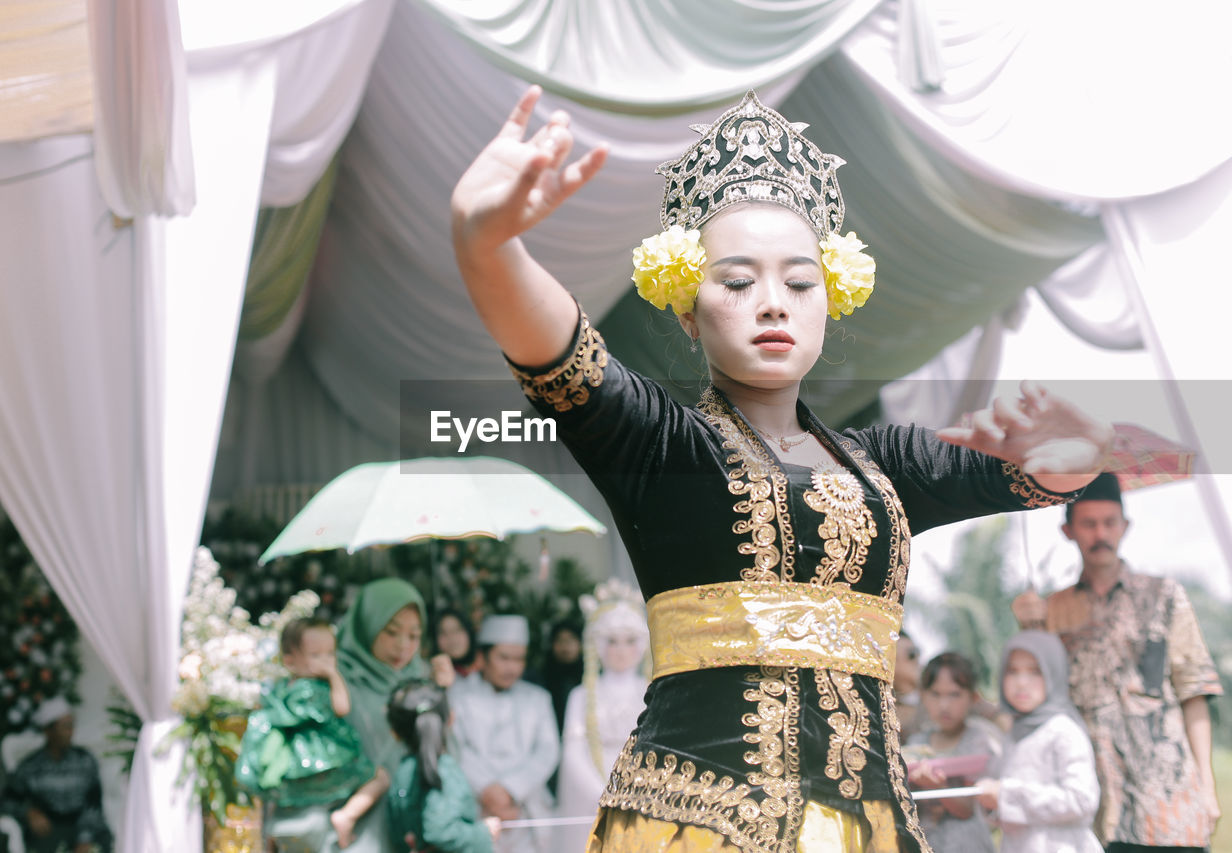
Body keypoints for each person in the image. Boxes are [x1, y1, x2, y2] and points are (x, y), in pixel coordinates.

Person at [450, 86, 1113, 851]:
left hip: (871, 831)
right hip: (690, 827)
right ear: (686, 310)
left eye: (799, 283)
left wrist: (1079, 459)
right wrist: (487, 247)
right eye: (737, 281)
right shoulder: (665, 449)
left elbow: (1016, 473)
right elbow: (560, 351)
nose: (772, 303)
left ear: (830, 298)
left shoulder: (884, 464)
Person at [1012, 473, 1223, 851]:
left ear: (1125, 526)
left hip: (1169, 794)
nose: (1100, 534)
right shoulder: (1051, 611)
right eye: (1089, 524)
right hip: (1092, 797)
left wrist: (1207, 787)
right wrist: (1028, 625)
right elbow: (1032, 693)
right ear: (1068, 531)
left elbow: (1194, 691)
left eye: (1109, 523)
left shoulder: (1164, 595)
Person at [235, 617, 387, 849]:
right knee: (378, 777)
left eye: (330, 654)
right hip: (327, 761)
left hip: (293, 770)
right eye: (316, 656)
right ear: (290, 661)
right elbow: (342, 707)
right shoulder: (315, 689)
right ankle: (346, 816)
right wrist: (335, 677)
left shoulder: (283, 689)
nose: (326, 662)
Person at [976, 631, 1102, 853]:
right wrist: (992, 801)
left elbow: (1082, 799)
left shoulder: (1063, 731)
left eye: (1035, 672)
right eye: (1012, 671)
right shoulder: (1014, 732)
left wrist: (1006, 795)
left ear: (1053, 674)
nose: (1022, 683)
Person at [448, 614, 560, 853]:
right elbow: (455, 747)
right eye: (504, 658)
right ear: (482, 657)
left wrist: (510, 789)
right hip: (476, 806)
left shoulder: (537, 698)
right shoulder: (458, 696)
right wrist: (488, 791)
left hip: (527, 808)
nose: (512, 667)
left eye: (519, 659)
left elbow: (548, 751)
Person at [555, 582, 650, 852]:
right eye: (612, 641)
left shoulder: (653, 692)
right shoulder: (581, 695)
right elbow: (573, 752)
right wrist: (602, 793)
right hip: (592, 792)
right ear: (597, 643)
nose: (621, 649)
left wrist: (638, 791)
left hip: (643, 792)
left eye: (629, 640)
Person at [385, 679, 502, 853]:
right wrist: (483, 832)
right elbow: (440, 831)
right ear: (451, 718)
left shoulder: (404, 770)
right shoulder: (443, 769)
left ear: (394, 733)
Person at [906, 652, 1004, 853]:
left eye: (954, 694)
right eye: (936, 694)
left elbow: (967, 809)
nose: (944, 705)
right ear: (923, 696)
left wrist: (937, 786)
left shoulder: (978, 740)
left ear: (973, 698)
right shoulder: (917, 744)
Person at [0, 697, 113, 853]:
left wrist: (85, 838)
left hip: (85, 826)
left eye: (72, 726)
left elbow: (94, 803)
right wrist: (28, 813)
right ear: (48, 731)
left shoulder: (85, 760)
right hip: (49, 829)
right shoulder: (31, 766)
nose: (71, 732)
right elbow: (7, 801)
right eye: (65, 727)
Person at [540, 617, 585, 737]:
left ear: (580, 644)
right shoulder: (541, 678)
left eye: (570, 640)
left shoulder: (589, 677)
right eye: (560, 640)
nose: (565, 646)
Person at [893, 631, 928, 739]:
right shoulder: (886, 713)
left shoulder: (944, 692)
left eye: (917, 652)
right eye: (911, 654)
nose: (917, 659)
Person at [435, 608, 482, 678]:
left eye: (457, 630)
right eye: (443, 632)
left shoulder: (487, 673)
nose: (452, 638)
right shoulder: (432, 676)